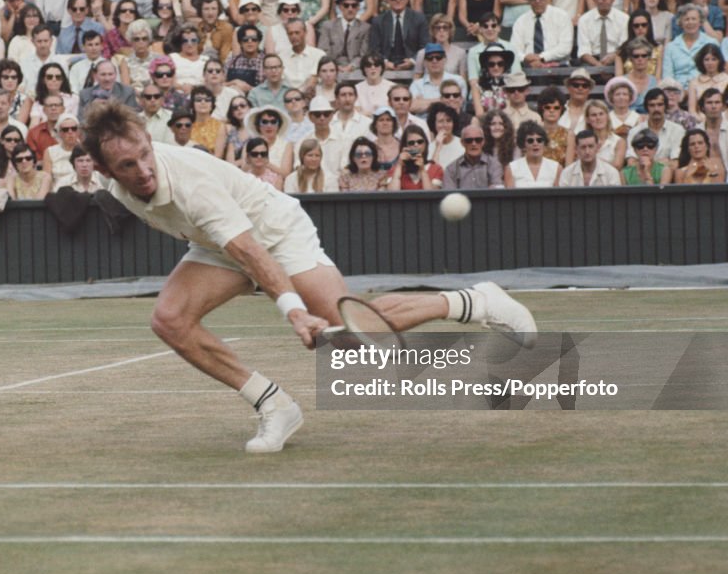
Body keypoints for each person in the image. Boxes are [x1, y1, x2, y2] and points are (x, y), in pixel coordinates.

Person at [81, 100, 537, 450]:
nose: (142, 170)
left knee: (352, 338)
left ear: (148, 139)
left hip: (274, 233)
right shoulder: (112, 187)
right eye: (127, 165)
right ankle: (274, 404)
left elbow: (253, 251)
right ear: (104, 170)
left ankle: (476, 301)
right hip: (218, 243)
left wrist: (294, 311)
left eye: (145, 155)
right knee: (169, 319)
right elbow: (226, 245)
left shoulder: (190, 182)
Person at [510, 0, 574, 68]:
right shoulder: (520, 21)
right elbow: (514, 50)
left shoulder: (562, 16)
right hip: (529, 67)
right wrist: (525, 58)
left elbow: (565, 48)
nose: (537, 1)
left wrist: (541, 57)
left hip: (558, 66)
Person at [369, 0, 427, 70]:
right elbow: (374, 49)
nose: (398, 0)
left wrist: (412, 61)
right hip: (385, 67)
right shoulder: (378, 21)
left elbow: (424, 46)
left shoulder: (418, 19)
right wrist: (384, 62)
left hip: (413, 66)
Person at [662, 4, 718, 87]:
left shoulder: (711, 43)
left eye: (694, 19)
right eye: (686, 19)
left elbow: (717, 74)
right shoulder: (671, 47)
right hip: (677, 91)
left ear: (700, 22)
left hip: (704, 89)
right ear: (680, 23)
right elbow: (667, 76)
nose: (690, 22)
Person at [577, 0, 629, 66]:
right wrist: (598, 65)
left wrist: (613, 58)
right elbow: (584, 51)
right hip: (592, 61)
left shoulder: (624, 19)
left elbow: (623, 47)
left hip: (616, 59)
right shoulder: (584, 20)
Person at [317, 0, 368, 75]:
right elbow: (323, 51)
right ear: (340, 7)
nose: (350, 9)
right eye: (346, 5)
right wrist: (335, 66)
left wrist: (352, 66)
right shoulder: (328, 26)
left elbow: (364, 54)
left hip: (357, 68)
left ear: (358, 7)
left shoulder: (365, 28)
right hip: (332, 68)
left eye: (354, 5)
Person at [443, 123, 505, 190]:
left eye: (478, 140)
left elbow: (497, 192)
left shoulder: (494, 165)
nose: (474, 144)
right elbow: (450, 196)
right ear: (462, 143)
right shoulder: (451, 169)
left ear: (483, 142)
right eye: (469, 140)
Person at [505, 121, 563, 188]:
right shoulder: (511, 168)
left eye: (539, 140)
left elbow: (558, 197)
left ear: (544, 143)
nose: (535, 144)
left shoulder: (556, 168)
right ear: (523, 144)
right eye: (530, 140)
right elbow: (510, 197)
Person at [387, 125, 444, 190]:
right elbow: (392, 195)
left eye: (420, 142)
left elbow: (431, 196)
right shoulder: (395, 169)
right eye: (411, 143)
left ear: (425, 144)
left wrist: (422, 170)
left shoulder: (436, 169)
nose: (416, 145)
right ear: (405, 145)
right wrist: (399, 165)